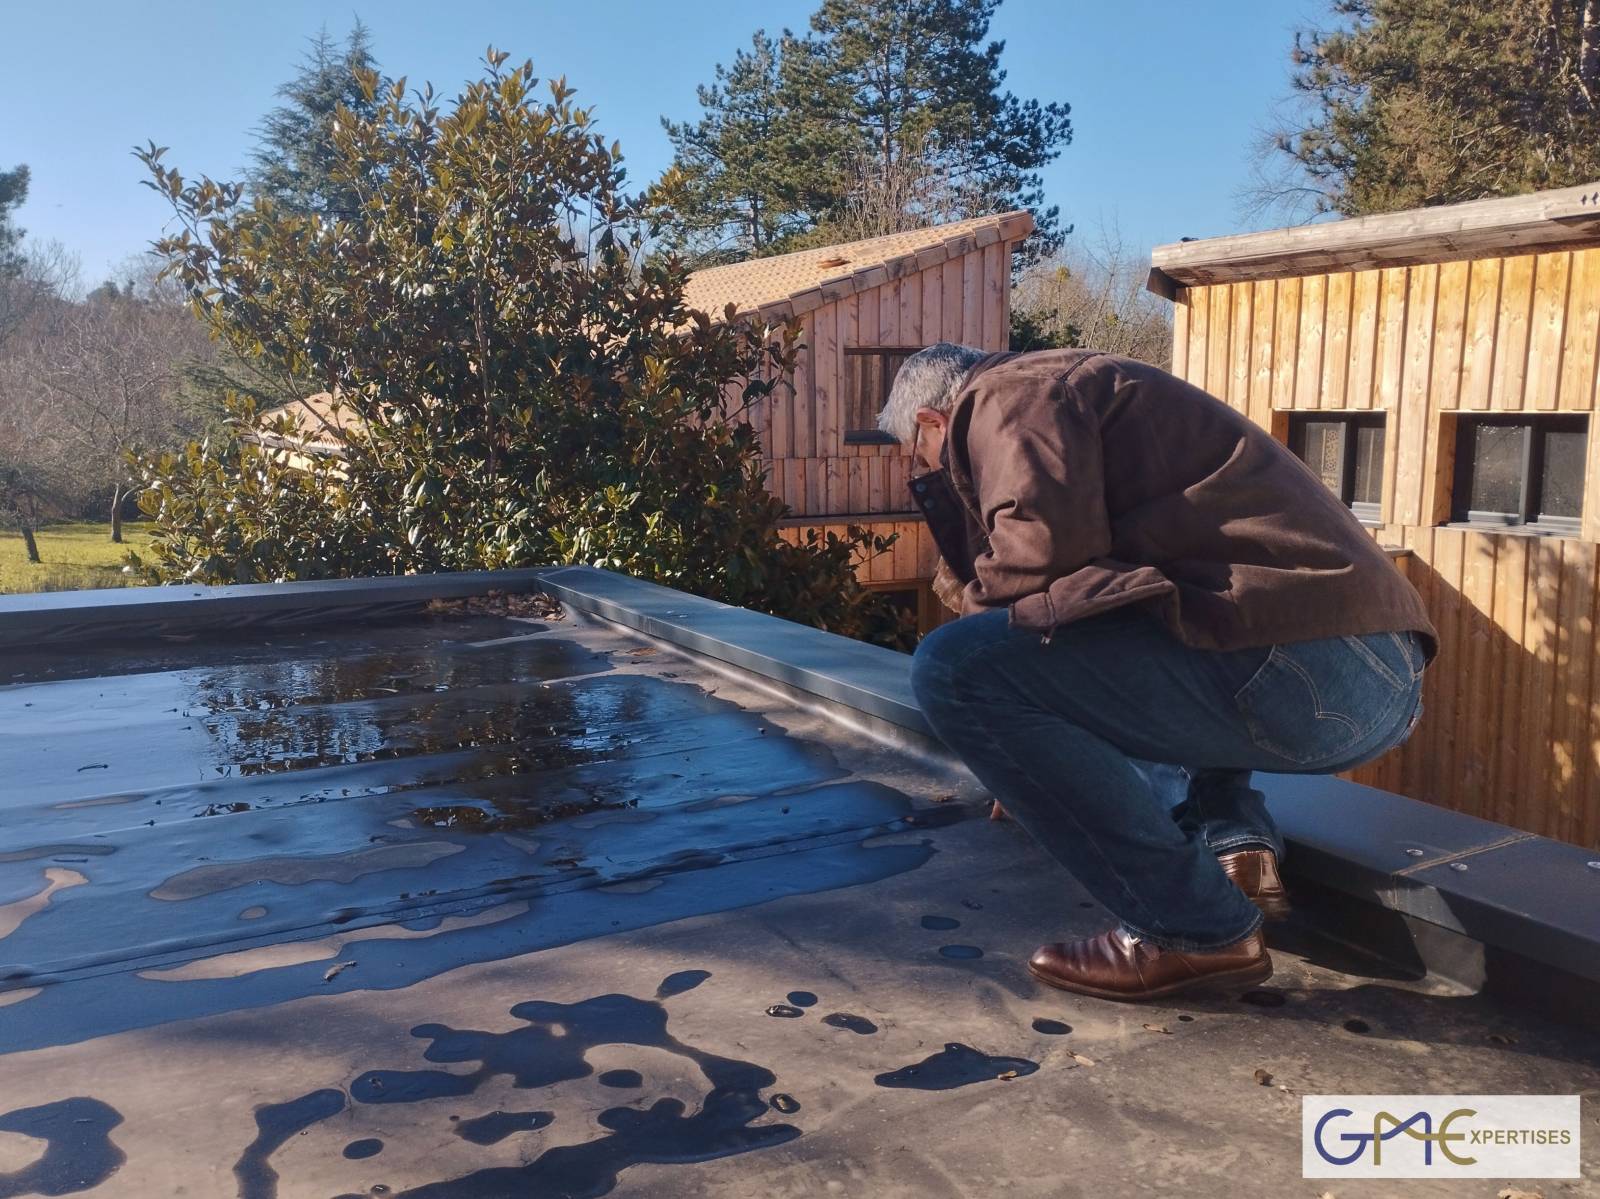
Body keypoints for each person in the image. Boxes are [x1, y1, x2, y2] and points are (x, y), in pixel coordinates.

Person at [887, 344, 1436, 1003]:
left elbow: (1038, 562)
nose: (934, 471)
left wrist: (1010, 747)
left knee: (952, 668)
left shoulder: (1009, 396)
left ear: (931, 420)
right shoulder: (1079, 389)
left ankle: (1193, 929)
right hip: (1366, 669)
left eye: (920, 456)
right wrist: (1029, 753)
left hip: (1308, 664)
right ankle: (1236, 845)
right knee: (1149, 617)